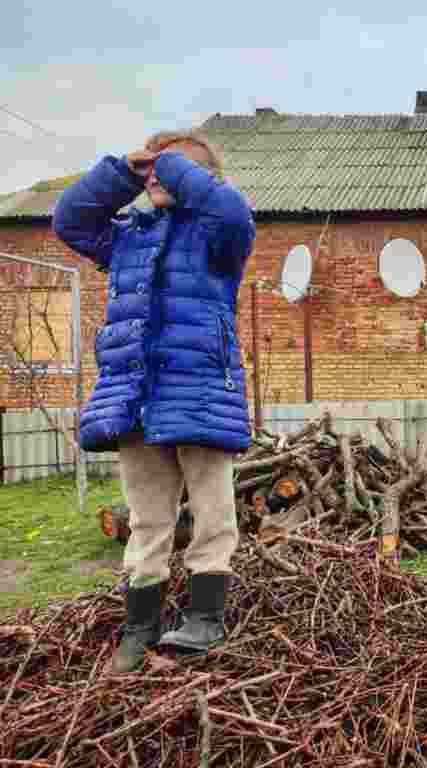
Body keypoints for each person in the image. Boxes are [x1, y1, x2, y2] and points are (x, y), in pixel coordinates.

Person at [53, 129, 256, 673]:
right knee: (146, 519)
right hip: (135, 396)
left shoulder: (219, 239)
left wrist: (181, 172)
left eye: (175, 169)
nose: (159, 177)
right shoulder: (129, 237)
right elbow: (68, 219)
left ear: (202, 179)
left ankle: (205, 618)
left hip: (202, 391)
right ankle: (140, 627)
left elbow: (233, 212)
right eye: (154, 169)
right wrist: (124, 169)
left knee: (213, 512)